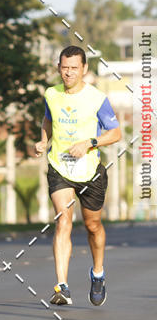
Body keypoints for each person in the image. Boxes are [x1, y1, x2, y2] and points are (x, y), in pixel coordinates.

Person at [35, 46, 121, 306]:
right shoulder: (51, 94)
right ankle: (62, 286)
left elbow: (115, 133)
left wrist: (90, 143)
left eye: (74, 68)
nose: (68, 73)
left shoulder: (96, 98)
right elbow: (48, 120)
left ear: (84, 68)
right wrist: (44, 141)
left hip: (90, 170)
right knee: (63, 220)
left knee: (93, 226)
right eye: (64, 68)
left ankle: (98, 273)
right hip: (60, 167)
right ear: (58, 68)